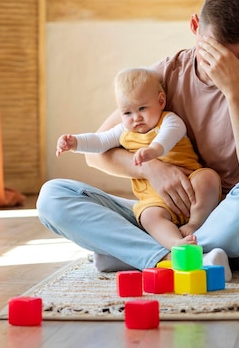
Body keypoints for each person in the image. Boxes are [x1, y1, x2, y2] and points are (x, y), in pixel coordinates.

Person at [37, 0, 239, 282]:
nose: (218, 64)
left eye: (231, 55)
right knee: (53, 196)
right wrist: (151, 169)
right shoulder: (165, 76)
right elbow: (98, 155)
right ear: (194, 26)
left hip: (235, 220)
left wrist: (235, 91)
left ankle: (140, 254)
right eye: (211, 50)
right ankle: (175, 258)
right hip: (168, 217)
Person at [56, 67, 221, 250]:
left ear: (160, 101)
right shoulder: (124, 131)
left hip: (190, 184)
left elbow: (169, 136)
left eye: (142, 108)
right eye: (127, 113)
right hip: (155, 199)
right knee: (148, 216)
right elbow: (100, 141)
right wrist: (75, 143)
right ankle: (175, 244)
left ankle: (195, 224)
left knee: (209, 178)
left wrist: (153, 151)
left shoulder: (169, 121)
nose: (136, 118)